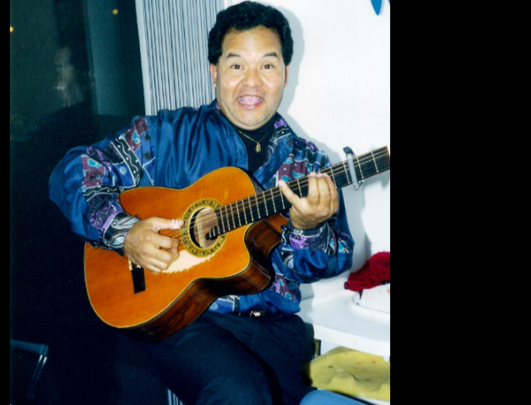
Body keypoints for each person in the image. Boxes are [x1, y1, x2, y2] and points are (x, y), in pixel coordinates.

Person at [49, 2, 355, 404]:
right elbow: (73, 172)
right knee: (238, 392)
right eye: (236, 65)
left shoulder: (308, 165)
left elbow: (330, 260)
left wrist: (309, 227)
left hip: (276, 330)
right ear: (214, 72)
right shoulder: (168, 136)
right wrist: (125, 232)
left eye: (267, 65)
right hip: (189, 321)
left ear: (284, 73)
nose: (252, 82)